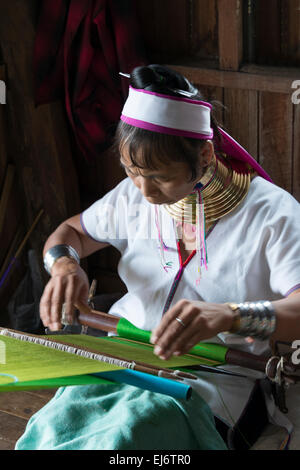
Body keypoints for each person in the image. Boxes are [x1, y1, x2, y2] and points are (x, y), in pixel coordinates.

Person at [16, 65, 300, 451]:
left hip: (217, 378)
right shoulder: (133, 196)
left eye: (160, 177)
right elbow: (72, 233)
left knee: (129, 436)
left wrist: (230, 314)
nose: (144, 191)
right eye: (132, 172)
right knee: (52, 428)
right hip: (120, 357)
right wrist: (64, 264)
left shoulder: (273, 214)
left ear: (203, 154)